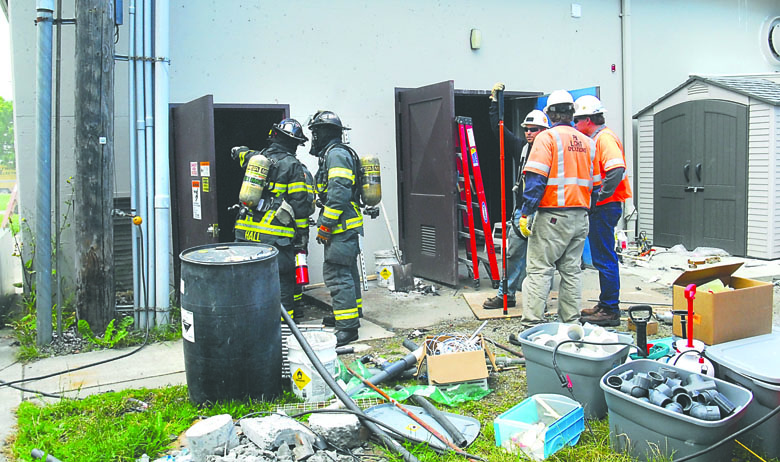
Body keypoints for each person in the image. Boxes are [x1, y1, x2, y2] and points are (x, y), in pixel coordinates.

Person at [517, 90, 599, 329]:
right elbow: (595, 185)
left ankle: (533, 327)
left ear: (550, 114)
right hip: (580, 216)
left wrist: (526, 212)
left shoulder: (547, 138)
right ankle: (570, 325)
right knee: (571, 272)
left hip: (553, 215)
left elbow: (536, 178)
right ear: (572, 113)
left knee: (540, 271)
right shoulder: (588, 142)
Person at [231, 119, 315, 321]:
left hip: (245, 236)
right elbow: (300, 207)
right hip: (275, 240)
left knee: (247, 282)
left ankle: (249, 323)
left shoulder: (256, 159)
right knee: (282, 283)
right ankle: (283, 329)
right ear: (294, 143)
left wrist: (239, 150)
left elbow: (239, 152)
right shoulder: (294, 167)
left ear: (274, 136)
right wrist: (301, 238)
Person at [483, 82, 550, 310]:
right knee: (512, 255)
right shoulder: (522, 147)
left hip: (545, 212)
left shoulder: (555, 151)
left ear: (545, 131)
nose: (530, 133)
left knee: (542, 260)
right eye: (527, 129)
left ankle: (538, 298)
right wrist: (495, 103)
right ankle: (506, 294)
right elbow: (498, 130)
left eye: (535, 129)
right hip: (522, 211)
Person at [573, 95, 633, 327]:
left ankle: (610, 309)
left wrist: (599, 198)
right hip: (606, 205)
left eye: (577, 121)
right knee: (602, 256)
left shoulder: (604, 139)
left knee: (604, 257)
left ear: (588, 119)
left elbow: (616, 169)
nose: (575, 126)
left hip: (605, 206)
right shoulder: (599, 138)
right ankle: (606, 303)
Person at [308, 110, 364, 347]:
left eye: (315, 132)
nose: (314, 137)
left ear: (324, 132)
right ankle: (350, 314)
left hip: (340, 225)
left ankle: (347, 328)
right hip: (346, 225)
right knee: (348, 271)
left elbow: (339, 193)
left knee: (336, 273)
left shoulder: (336, 155)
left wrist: (326, 226)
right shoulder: (334, 154)